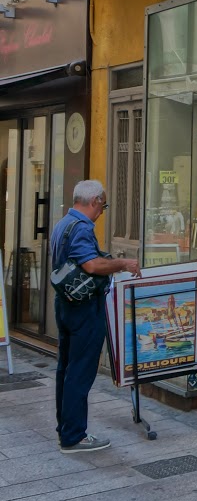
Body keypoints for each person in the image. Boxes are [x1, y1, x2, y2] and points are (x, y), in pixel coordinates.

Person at [50, 181, 139, 452]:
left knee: (66, 368)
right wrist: (123, 263)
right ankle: (74, 436)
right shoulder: (82, 228)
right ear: (96, 201)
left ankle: (65, 428)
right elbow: (91, 264)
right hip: (84, 308)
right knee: (80, 370)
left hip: (64, 305)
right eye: (104, 205)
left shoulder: (62, 224)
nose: (102, 211)